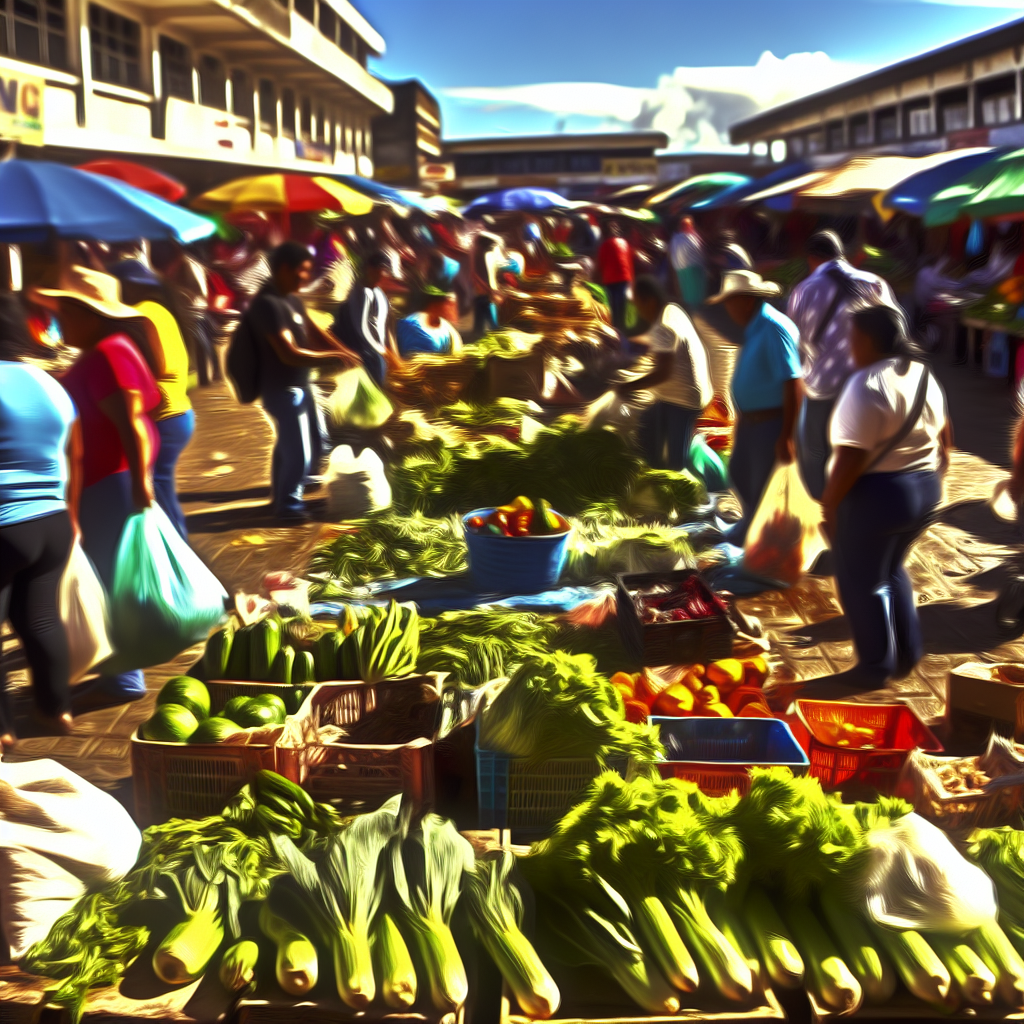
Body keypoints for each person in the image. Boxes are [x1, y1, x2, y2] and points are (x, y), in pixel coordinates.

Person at [39, 267, 161, 711]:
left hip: (110, 482)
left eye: (65, 312)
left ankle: (124, 676)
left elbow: (130, 421)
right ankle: (120, 672)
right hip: (110, 479)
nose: (59, 321)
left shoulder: (106, 354)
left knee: (108, 578)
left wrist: (142, 483)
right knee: (110, 575)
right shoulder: (111, 350)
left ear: (90, 315)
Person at [822, 304, 951, 686]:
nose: (849, 346)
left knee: (860, 579)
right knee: (891, 569)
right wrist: (936, 480)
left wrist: (830, 506)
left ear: (868, 340)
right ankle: (907, 652)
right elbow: (946, 438)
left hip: (879, 496)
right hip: (923, 489)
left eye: (852, 338)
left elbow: (850, 458)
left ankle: (875, 666)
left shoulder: (865, 385)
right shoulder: (923, 375)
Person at [0, 293, 78, 748]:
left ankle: (3, 730)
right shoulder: (49, 384)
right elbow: (70, 453)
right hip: (52, 521)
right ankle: (56, 709)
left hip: (5, 524)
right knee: (42, 620)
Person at [248, 241, 358, 521]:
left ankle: (281, 496)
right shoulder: (269, 305)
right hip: (280, 387)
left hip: (301, 383)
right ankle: (288, 506)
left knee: (303, 441)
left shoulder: (291, 299)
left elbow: (314, 330)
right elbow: (289, 352)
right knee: (299, 450)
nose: (307, 277)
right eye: (303, 270)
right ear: (284, 269)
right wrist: (332, 356)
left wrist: (344, 351)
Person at [787, 230, 897, 500]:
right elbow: (896, 332)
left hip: (823, 388)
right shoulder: (875, 284)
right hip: (869, 387)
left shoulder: (804, 289)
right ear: (841, 254)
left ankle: (821, 503)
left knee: (817, 451)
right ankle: (856, 505)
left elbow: (793, 342)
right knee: (863, 451)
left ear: (811, 258)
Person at [709, 269, 803, 546]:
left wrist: (787, 436)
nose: (727, 309)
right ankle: (750, 527)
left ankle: (763, 540)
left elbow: (793, 381)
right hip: (752, 421)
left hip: (771, 422)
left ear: (747, 300)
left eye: (731, 301)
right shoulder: (754, 326)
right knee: (739, 473)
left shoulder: (773, 327)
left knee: (762, 484)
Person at [109, 259, 194, 539]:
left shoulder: (140, 314)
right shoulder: (160, 310)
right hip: (179, 411)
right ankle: (178, 542)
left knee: (157, 488)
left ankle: (177, 546)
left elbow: (158, 366)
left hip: (164, 415)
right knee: (162, 485)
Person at [618, 276, 712, 471]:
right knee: (647, 425)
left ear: (651, 301)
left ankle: (674, 477)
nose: (638, 311)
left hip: (683, 402)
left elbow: (662, 373)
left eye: (638, 305)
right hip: (684, 395)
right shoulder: (673, 310)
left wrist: (629, 387)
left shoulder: (663, 328)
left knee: (677, 464)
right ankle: (655, 469)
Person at [331, 251, 391, 387]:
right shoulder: (356, 292)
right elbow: (360, 327)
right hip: (355, 347)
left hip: (373, 348)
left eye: (383, 272)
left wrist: (383, 348)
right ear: (369, 269)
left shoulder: (380, 295)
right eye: (377, 272)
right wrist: (379, 349)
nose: (380, 276)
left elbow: (382, 325)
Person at [396, 288, 463, 359]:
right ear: (436, 304)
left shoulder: (446, 329)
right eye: (449, 304)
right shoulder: (412, 326)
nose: (453, 309)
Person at [597, 221, 634, 332]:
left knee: (614, 306)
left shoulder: (605, 245)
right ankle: (621, 329)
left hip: (612, 280)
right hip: (622, 278)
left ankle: (616, 329)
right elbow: (629, 262)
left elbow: (601, 263)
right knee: (621, 305)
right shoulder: (624, 243)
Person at [670, 216, 707, 309]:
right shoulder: (684, 238)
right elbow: (698, 251)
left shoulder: (677, 238)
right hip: (692, 268)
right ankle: (694, 309)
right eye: (689, 225)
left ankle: (693, 309)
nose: (691, 227)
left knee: (689, 292)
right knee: (693, 292)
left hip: (683, 269)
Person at [471, 234, 502, 338]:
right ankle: (492, 333)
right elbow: (479, 275)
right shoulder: (482, 255)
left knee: (480, 320)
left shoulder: (482, 254)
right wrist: (490, 290)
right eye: (492, 245)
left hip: (482, 292)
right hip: (485, 292)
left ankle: (478, 333)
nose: (493, 248)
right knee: (491, 320)